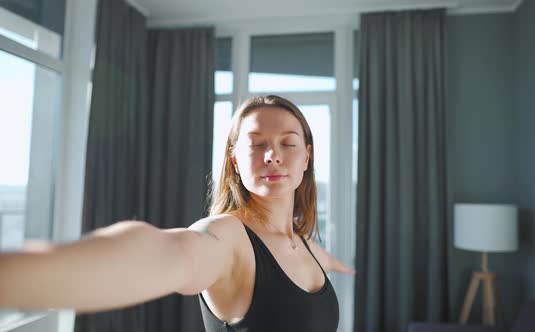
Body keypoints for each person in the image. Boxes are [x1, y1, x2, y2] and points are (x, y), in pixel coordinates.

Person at [0, 95, 355, 331]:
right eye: (257, 144)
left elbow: (313, 256)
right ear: (234, 159)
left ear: (307, 156)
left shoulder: (300, 241)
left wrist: (337, 264)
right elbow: (164, 252)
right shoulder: (226, 238)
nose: (273, 155)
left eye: (288, 144)